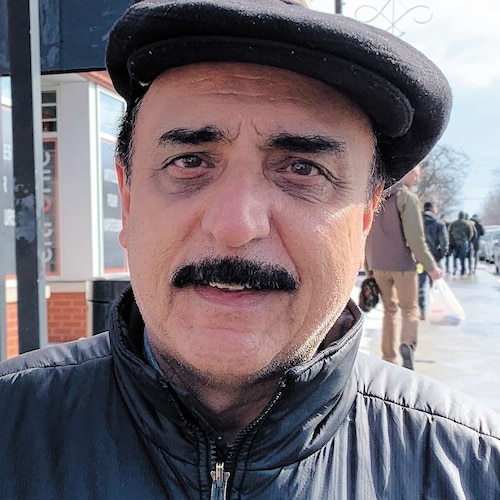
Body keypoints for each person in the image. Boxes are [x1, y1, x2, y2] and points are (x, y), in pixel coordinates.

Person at [0, 1, 498, 498]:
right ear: (127, 201)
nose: (235, 226)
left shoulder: (473, 470)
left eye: (303, 169)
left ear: (366, 217)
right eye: (189, 161)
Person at [364, 166, 443, 370]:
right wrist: (431, 267)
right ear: (408, 171)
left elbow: (367, 234)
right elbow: (416, 239)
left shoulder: (376, 196)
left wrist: (369, 266)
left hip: (378, 265)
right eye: (417, 173)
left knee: (389, 311)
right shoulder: (407, 198)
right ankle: (407, 344)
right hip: (403, 265)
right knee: (409, 309)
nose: (418, 178)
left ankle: (388, 357)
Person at [418, 201, 449, 319]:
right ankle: (436, 310)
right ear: (433, 209)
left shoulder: (417, 222)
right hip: (435, 260)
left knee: (420, 285)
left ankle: (422, 310)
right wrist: (440, 255)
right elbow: (444, 243)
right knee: (436, 285)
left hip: (420, 260)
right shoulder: (439, 224)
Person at [449, 210, 474, 276]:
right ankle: (463, 270)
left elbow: (449, 233)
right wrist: (467, 240)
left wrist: (451, 241)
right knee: (462, 257)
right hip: (464, 242)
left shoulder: (453, 224)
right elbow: (471, 233)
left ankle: (455, 267)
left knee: (455, 256)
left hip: (455, 242)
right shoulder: (467, 224)